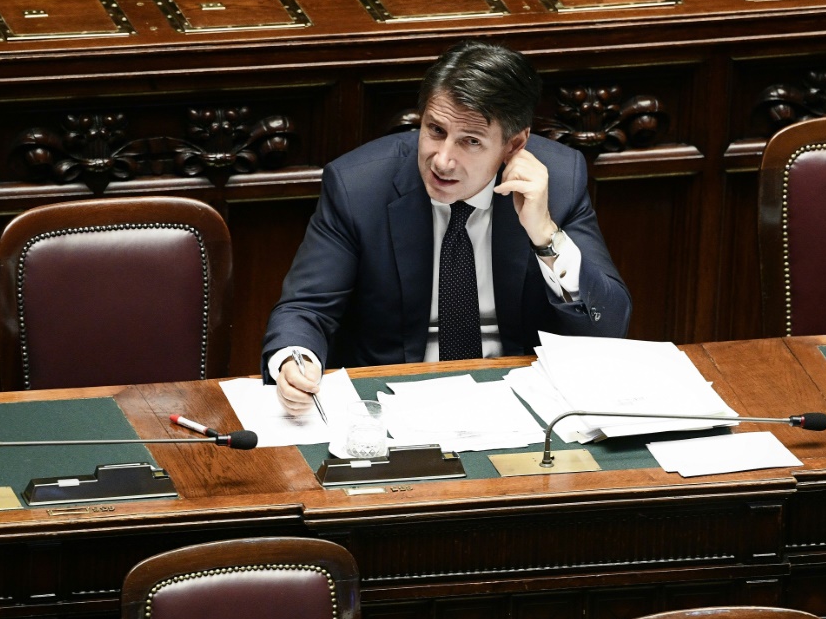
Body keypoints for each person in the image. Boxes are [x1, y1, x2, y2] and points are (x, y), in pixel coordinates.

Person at [262, 39, 631, 415]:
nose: (442, 160)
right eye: (436, 130)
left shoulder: (559, 181)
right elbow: (305, 309)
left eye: (470, 141)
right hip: (392, 403)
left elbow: (608, 327)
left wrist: (545, 234)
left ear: (514, 145)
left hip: (519, 405)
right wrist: (294, 360)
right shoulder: (358, 186)